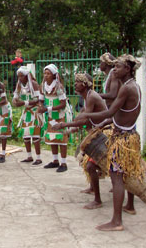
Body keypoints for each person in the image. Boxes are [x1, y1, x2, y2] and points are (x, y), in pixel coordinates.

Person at [76, 54, 144, 231]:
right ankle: (128, 207)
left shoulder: (127, 88)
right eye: (114, 67)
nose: (115, 69)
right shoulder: (132, 86)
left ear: (128, 69)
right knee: (126, 175)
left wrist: (86, 115)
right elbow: (114, 115)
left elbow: (109, 113)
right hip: (129, 135)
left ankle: (116, 221)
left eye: (118, 67)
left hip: (123, 138)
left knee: (117, 178)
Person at [53, 73, 110, 209]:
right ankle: (92, 188)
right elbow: (80, 120)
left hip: (105, 134)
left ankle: (98, 200)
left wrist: (63, 125)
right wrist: (68, 130)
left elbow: (85, 120)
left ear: (84, 84)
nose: (75, 84)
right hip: (97, 134)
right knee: (86, 162)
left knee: (91, 166)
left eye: (77, 82)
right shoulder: (87, 97)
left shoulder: (91, 97)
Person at [38, 64, 68, 172]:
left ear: (54, 75)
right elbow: (41, 100)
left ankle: (63, 163)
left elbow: (63, 104)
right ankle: (55, 161)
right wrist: (41, 106)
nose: (45, 75)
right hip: (51, 116)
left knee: (61, 139)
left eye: (48, 73)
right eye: (44, 73)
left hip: (60, 116)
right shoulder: (43, 86)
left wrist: (47, 109)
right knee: (52, 137)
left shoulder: (59, 87)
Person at [12, 66, 43, 165]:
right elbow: (15, 96)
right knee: (26, 136)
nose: (20, 78)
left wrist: (24, 103)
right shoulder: (19, 85)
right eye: (19, 76)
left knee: (35, 135)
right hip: (26, 113)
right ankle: (29, 156)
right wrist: (14, 101)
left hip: (34, 112)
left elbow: (38, 100)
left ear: (27, 76)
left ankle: (38, 158)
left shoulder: (33, 84)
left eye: (22, 76)